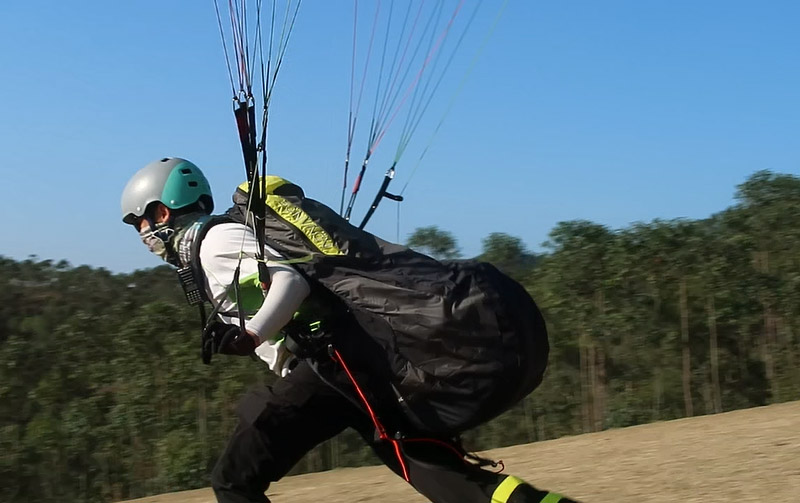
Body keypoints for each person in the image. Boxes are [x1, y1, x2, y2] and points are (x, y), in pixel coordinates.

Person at [121, 157, 580, 503]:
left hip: (328, 367)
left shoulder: (215, 241)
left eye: (140, 219)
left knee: (233, 479)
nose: (140, 232)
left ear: (164, 213)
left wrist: (252, 334)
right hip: (351, 368)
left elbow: (290, 281)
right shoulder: (219, 242)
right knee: (437, 473)